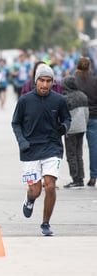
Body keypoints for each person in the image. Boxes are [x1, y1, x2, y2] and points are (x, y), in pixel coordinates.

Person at [11, 64, 71, 236]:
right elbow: (15, 123)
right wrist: (22, 141)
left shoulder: (59, 100)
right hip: (30, 149)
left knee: (50, 186)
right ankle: (29, 199)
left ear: (53, 82)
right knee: (36, 190)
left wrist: (64, 127)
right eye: (42, 81)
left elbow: (67, 118)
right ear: (35, 81)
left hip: (52, 147)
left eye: (48, 81)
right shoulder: (24, 100)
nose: (45, 85)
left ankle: (45, 223)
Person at [60, 76, 89, 189]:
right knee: (79, 154)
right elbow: (87, 113)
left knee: (71, 155)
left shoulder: (66, 98)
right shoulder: (83, 96)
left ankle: (75, 179)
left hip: (71, 129)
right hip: (82, 128)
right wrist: (84, 125)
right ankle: (80, 178)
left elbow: (64, 116)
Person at [74, 57, 97, 187]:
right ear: (89, 67)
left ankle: (78, 177)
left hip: (78, 115)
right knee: (94, 147)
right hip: (93, 116)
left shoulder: (74, 81)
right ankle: (93, 176)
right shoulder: (94, 81)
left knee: (76, 148)